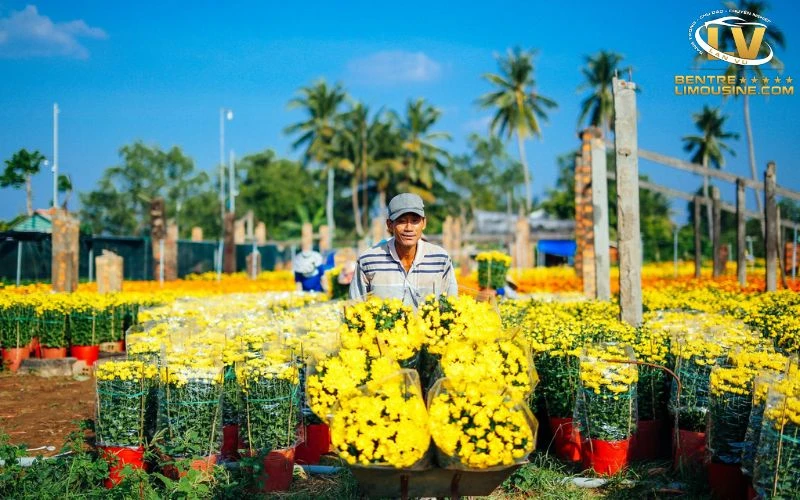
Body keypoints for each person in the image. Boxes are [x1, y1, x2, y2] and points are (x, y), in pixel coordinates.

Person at [350, 193, 458, 308]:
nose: (409, 228)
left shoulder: (440, 259)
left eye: (415, 221)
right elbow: (355, 308)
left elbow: (451, 306)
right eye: (401, 221)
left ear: (424, 223)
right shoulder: (369, 260)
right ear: (390, 225)